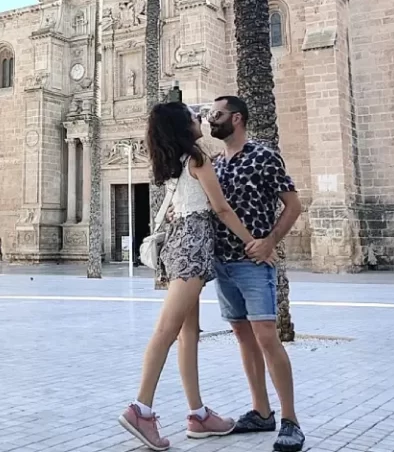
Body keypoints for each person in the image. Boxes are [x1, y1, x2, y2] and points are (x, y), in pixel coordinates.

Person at [118, 102, 261, 452]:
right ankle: (141, 409)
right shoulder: (197, 159)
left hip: (183, 245)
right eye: (193, 117)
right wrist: (253, 243)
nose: (201, 119)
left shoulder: (177, 162)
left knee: (188, 335)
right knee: (167, 330)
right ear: (183, 128)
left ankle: (197, 414)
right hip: (193, 248)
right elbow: (221, 208)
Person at [206, 95, 304, 452]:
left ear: (237, 119)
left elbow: (293, 205)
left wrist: (269, 241)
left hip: (254, 263)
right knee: (244, 339)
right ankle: (262, 412)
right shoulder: (216, 164)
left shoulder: (264, 156)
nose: (210, 120)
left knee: (266, 337)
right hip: (223, 264)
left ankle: (291, 420)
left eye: (216, 115)